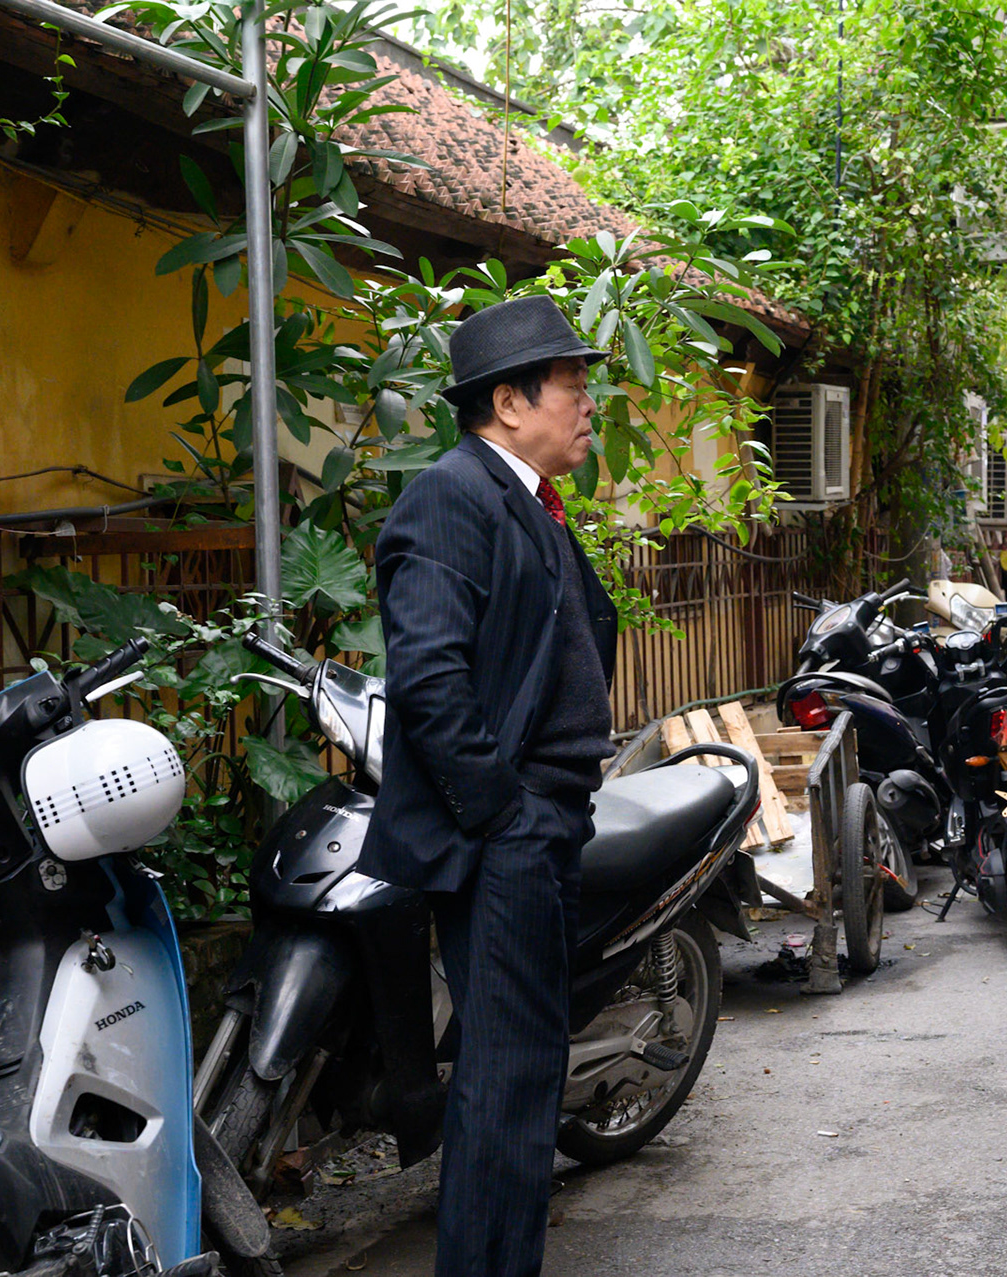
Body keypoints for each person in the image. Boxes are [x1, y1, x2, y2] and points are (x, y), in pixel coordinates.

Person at [358, 295, 618, 1277]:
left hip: (544, 823)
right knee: (504, 1083)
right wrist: (505, 816)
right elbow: (428, 678)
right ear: (510, 402)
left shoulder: (524, 501)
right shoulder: (450, 497)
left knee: (524, 1075)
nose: (588, 406)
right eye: (574, 388)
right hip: (505, 831)